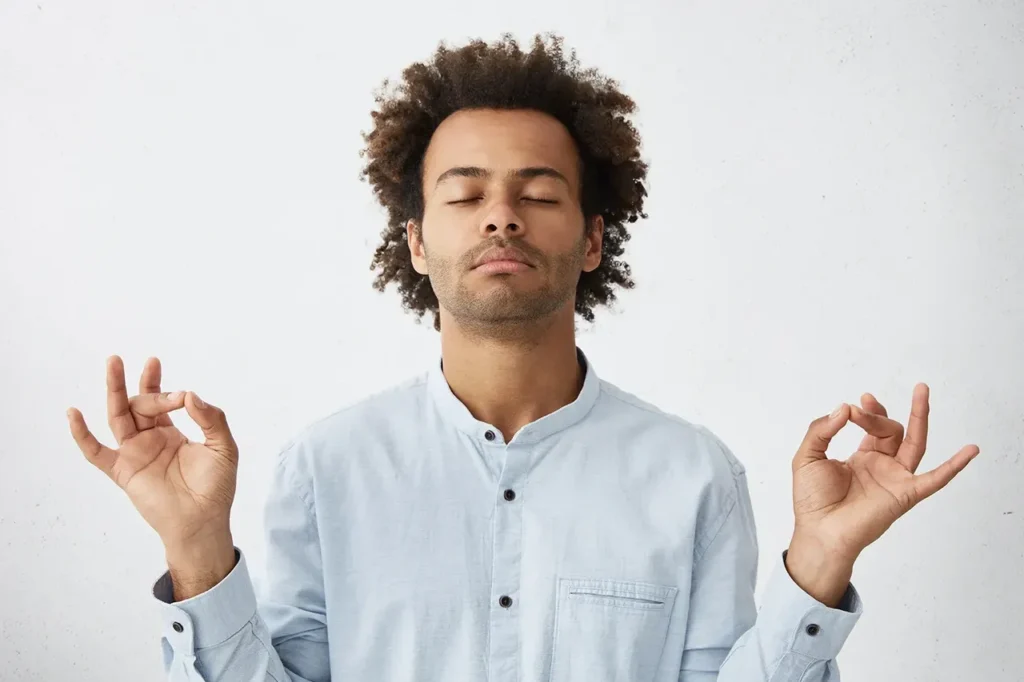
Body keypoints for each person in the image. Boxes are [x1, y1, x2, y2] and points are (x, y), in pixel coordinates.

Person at [66, 33, 979, 682]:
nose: (501, 215)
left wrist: (817, 560)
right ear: (417, 242)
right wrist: (194, 547)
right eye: (466, 195)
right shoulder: (324, 468)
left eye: (537, 193)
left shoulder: (694, 474)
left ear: (591, 239)